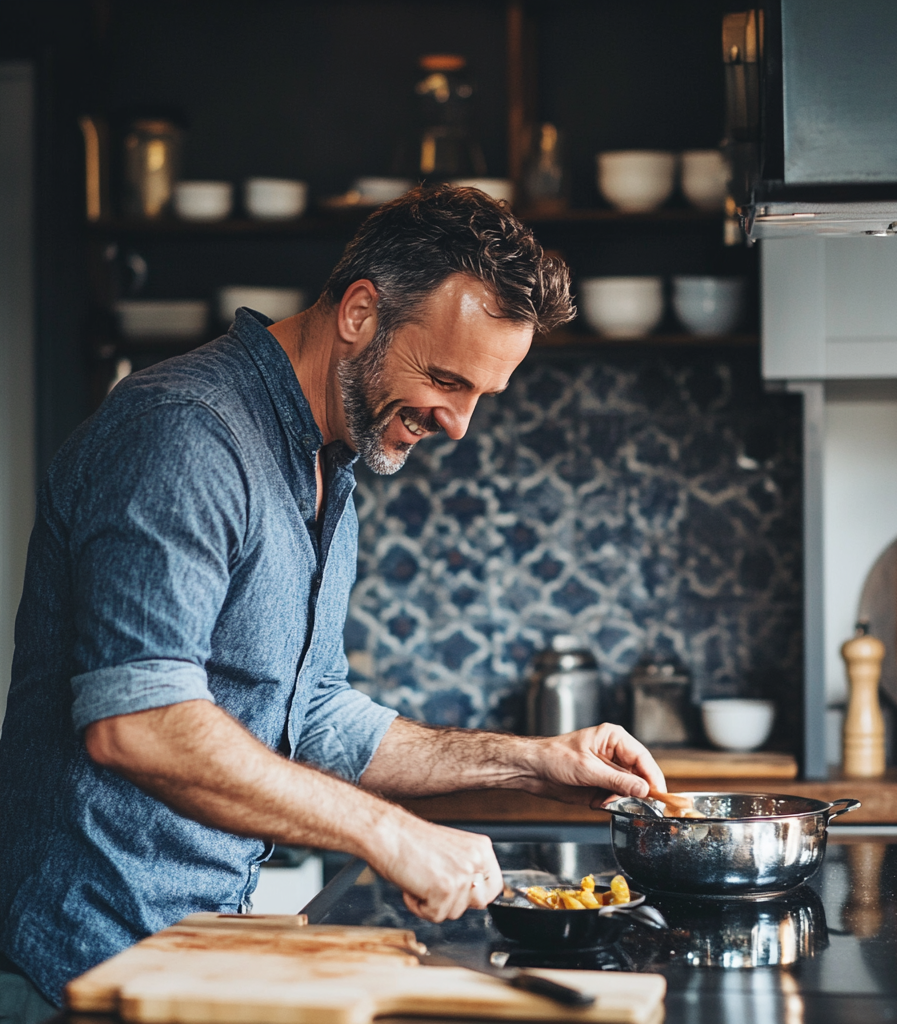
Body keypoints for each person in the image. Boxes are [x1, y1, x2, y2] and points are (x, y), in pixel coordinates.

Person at [0, 186, 666, 1014]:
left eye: (479, 397)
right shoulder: (184, 433)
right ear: (360, 313)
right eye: (445, 379)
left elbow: (311, 718)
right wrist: (391, 835)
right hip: (81, 968)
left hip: (191, 950)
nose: (457, 424)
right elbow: (137, 724)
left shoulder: (328, 467)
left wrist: (533, 762)